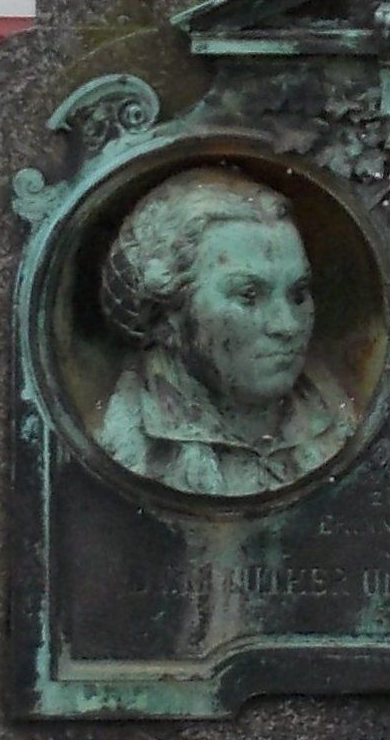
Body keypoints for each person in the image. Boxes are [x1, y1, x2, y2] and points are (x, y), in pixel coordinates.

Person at [93, 167, 357, 499]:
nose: (288, 325)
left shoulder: (343, 426)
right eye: (249, 295)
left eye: (299, 294)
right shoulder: (121, 440)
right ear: (167, 313)